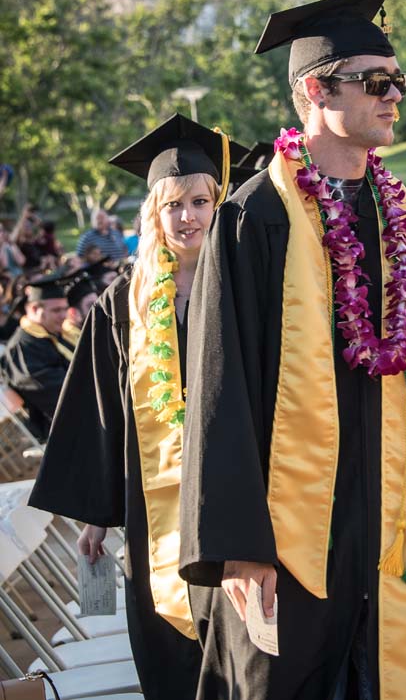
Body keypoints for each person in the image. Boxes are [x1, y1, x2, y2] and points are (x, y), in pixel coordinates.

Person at [179, 0, 406, 700]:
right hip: (291, 532)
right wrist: (237, 549)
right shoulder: (255, 217)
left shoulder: (401, 211)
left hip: (390, 512)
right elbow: (220, 396)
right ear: (316, 89)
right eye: (376, 82)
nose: (394, 97)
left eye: (398, 81)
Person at [28, 114, 246, 700]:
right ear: (154, 213)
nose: (188, 217)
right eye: (173, 205)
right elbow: (101, 411)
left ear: (218, 203)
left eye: (200, 201)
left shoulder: (249, 288)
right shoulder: (122, 303)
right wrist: (97, 513)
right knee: (171, 655)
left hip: (241, 501)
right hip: (156, 512)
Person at [0, 276, 73, 438]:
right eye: (56, 310)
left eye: (64, 309)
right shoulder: (21, 349)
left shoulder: (57, 336)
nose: (63, 316)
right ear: (33, 309)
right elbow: (62, 394)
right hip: (59, 435)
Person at [61, 275, 99, 346]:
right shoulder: (70, 342)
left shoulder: (90, 333)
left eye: (98, 304)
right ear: (73, 313)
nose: (98, 310)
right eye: (91, 306)